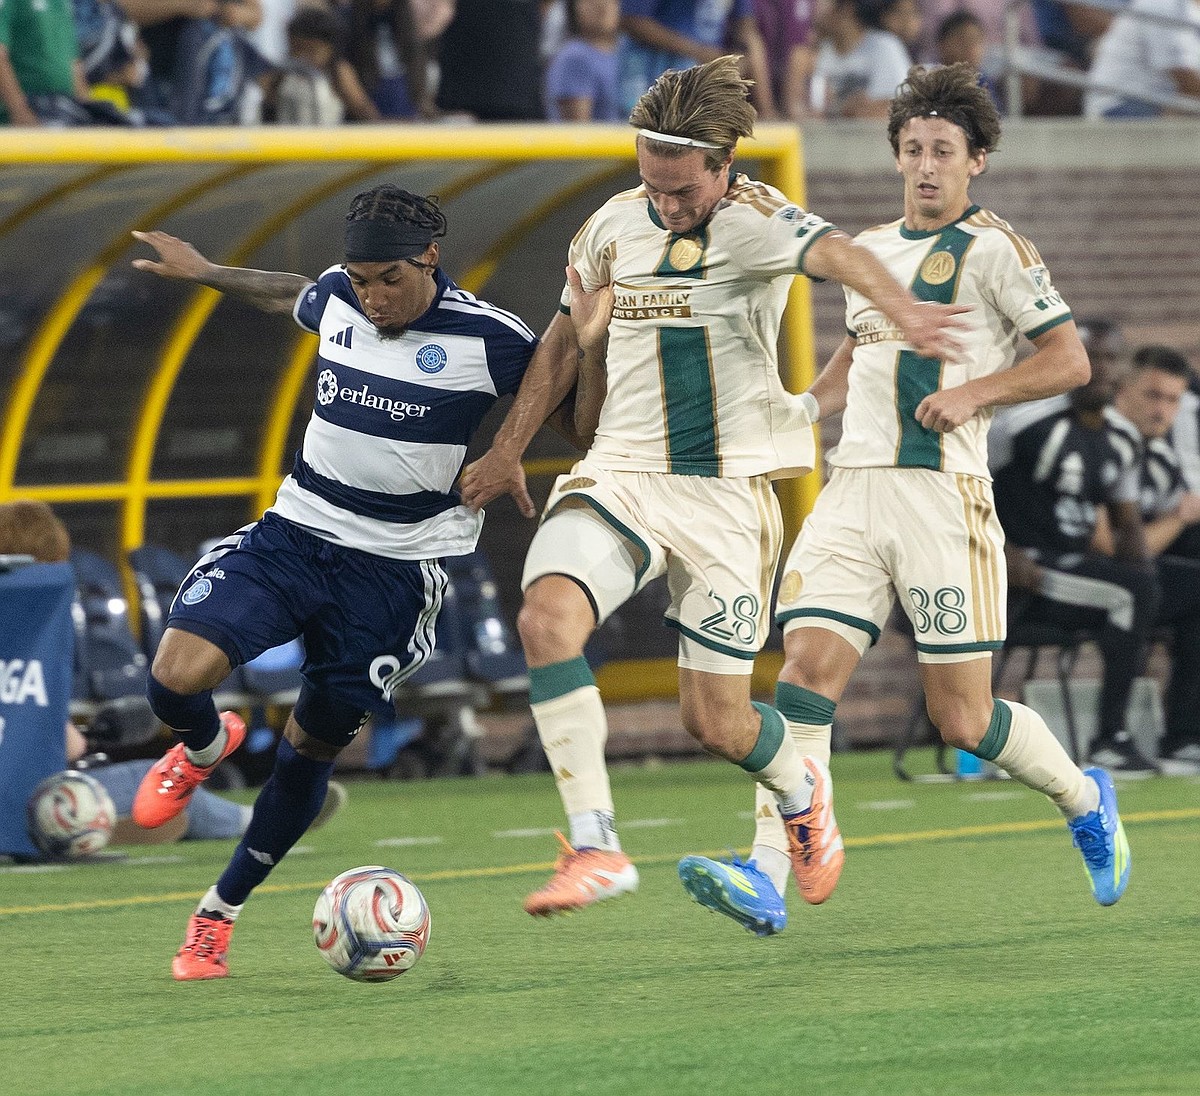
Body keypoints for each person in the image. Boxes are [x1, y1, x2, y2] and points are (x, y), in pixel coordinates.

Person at [460, 55, 968, 926]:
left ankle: (801, 792)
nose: (666, 204)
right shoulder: (611, 225)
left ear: (724, 164)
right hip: (623, 474)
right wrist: (508, 449)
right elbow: (561, 340)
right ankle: (594, 844)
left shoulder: (757, 220)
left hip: (728, 500)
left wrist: (908, 312)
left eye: (683, 190)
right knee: (546, 617)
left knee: (717, 723)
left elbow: (841, 253)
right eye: (652, 185)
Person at [684, 63, 1136, 936]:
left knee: (962, 718)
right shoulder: (869, 250)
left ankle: (1085, 799)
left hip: (942, 497)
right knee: (804, 676)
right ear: (896, 156)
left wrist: (975, 393)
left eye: (944, 151)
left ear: (977, 161)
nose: (927, 165)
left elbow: (1070, 361)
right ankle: (768, 873)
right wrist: (800, 410)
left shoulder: (996, 249)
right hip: (852, 492)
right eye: (914, 148)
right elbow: (859, 354)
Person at [126, 185, 581, 980]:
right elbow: (287, 292)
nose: (372, 298)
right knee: (172, 677)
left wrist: (509, 447)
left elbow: (560, 380)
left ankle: (216, 916)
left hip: (394, 575)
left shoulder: (487, 336)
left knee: (311, 748)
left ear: (429, 258)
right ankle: (204, 745)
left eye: (388, 281)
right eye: (361, 280)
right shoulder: (340, 295)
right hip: (295, 536)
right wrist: (205, 271)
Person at [989, 319, 1160, 776]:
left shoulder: (1123, 437)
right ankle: (1110, 738)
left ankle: (1184, 736)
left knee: (1182, 588)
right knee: (1131, 594)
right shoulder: (1022, 424)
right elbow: (964, 487)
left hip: (1077, 571)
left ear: (1124, 370)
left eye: (1110, 358)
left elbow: (1127, 523)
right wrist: (1001, 549)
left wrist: (1152, 575)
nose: (1099, 368)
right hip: (1022, 575)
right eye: (1089, 356)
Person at [1101, 344, 1200, 774]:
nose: (1162, 410)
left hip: (1118, 573)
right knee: (1138, 587)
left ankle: (1184, 735)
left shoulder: (1157, 457)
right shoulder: (1099, 441)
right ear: (1122, 390)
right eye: (1152, 395)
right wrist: (1181, 516)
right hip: (1046, 571)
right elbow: (1110, 548)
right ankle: (1110, 736)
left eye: (1172, 400)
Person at [617, 0, 778, 117]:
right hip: (652, 74)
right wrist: (700, 53)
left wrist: (737, 59)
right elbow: (632, 19)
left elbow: (746, 28)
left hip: (705, 79)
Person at [1084, 0, 1200, 119]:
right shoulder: (1159, 4)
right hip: (1119, 104)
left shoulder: (1190, 9)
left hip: (1157, 100)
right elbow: (1186, 80)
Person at [809, 0, 912, 119]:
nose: (815, 12)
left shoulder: (885, 47)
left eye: (821, 4)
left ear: (846, 9)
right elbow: (812, 111)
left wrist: (862, 109)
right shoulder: (819, 52)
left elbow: (905, 106)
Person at [544, 0, 622, 121]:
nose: (602, 6)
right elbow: (579, 127)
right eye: (591, 2)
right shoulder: (575, 57)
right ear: (574, 8)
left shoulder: (627, 51)